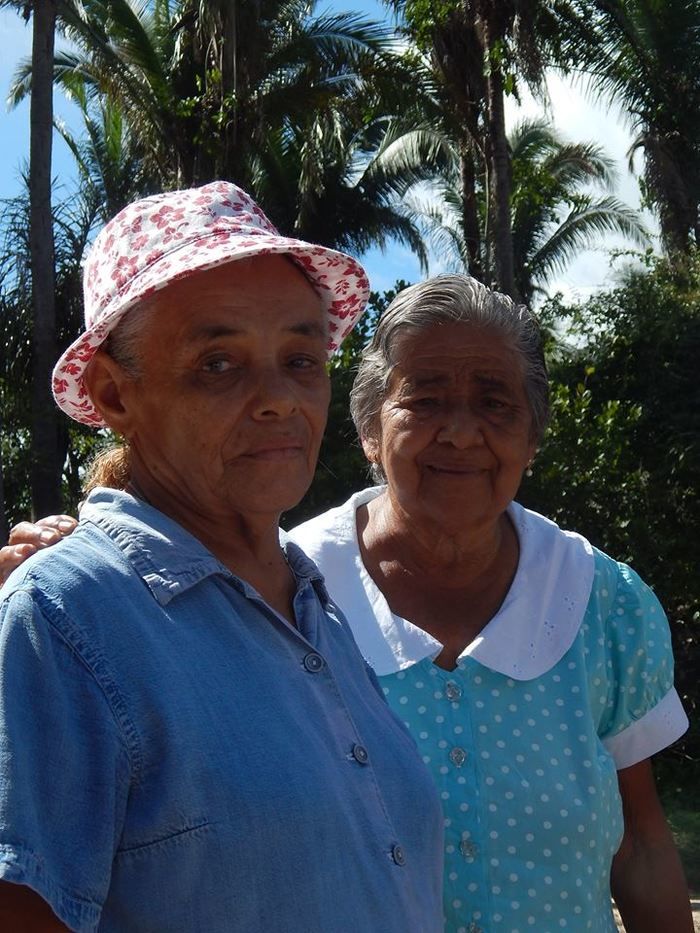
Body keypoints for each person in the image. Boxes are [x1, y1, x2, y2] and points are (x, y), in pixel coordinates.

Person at [3, 276, 692, 933]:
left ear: (533, 435)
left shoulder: (596, 599)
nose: (459, 431)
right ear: (368, 427)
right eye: (423, 398)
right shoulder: (276, 591)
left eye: (495, 401)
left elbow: (642, 844)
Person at [0, 182, 444, 933]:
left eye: (301, 358)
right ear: (114, 395)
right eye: (217, 364)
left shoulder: (313, 608)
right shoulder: (64, 619)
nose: (279, 398)